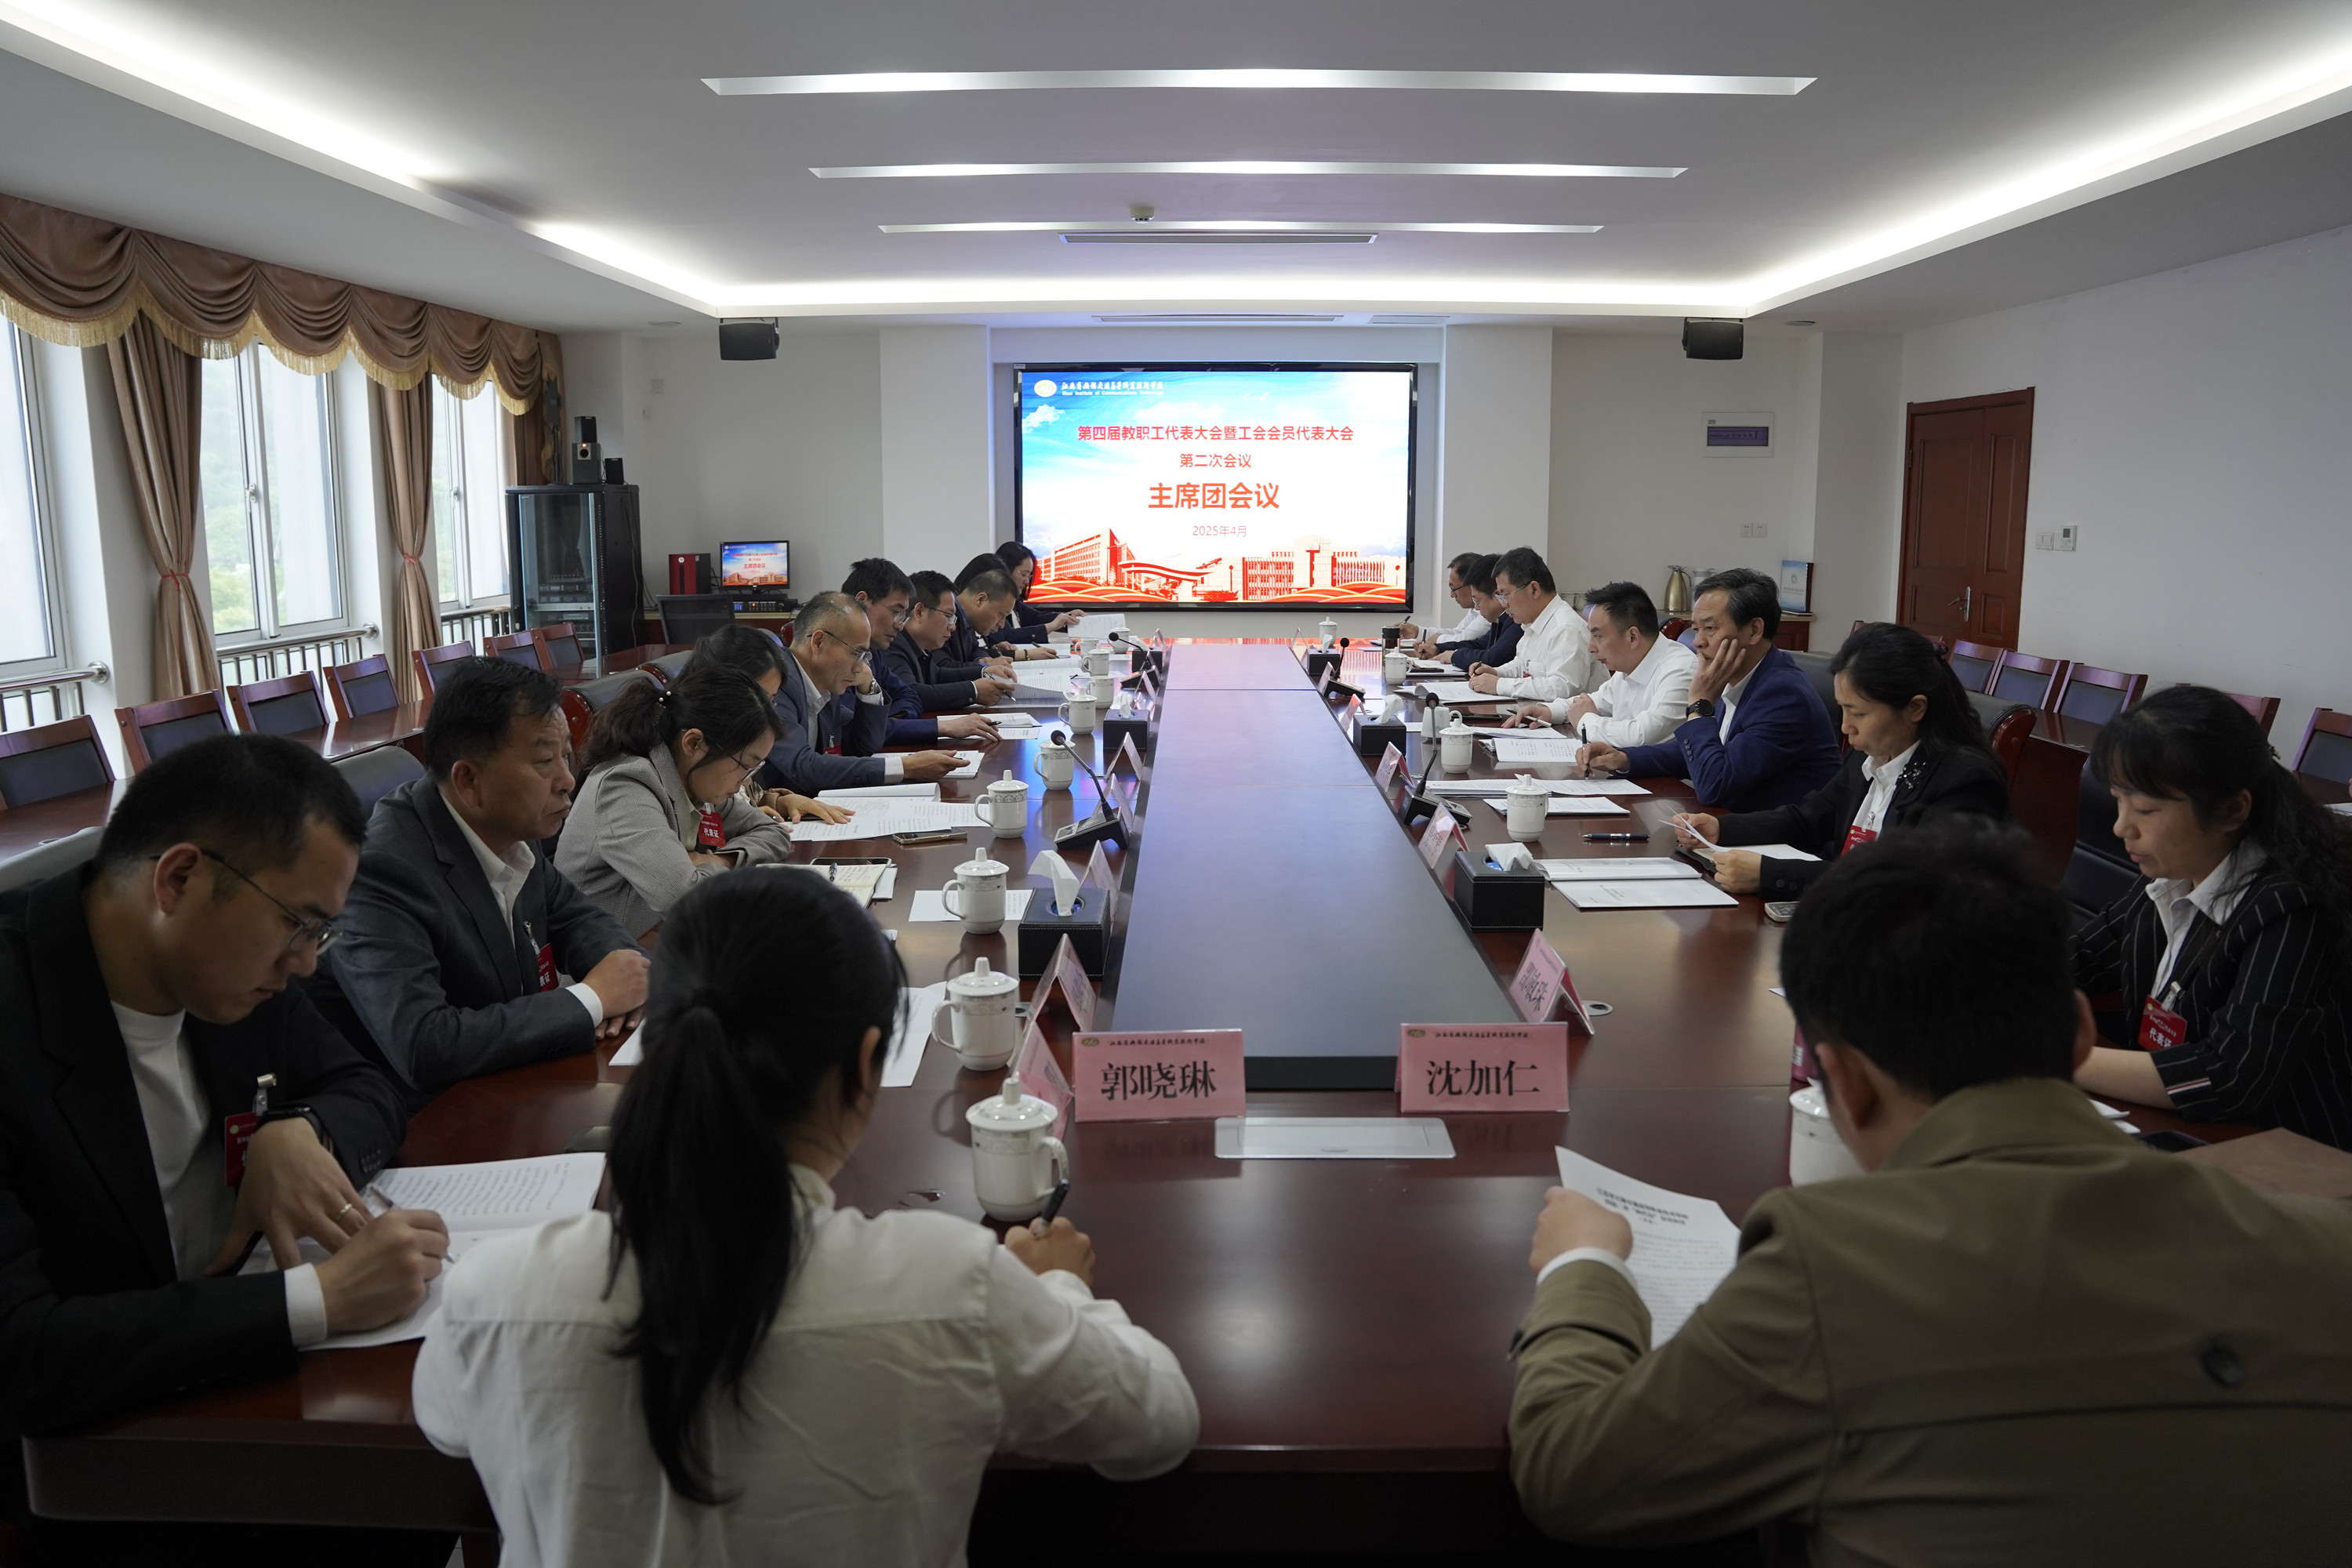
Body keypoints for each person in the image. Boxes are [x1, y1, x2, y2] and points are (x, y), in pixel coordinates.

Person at [1510, 824, 2352, 1561]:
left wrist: (1585, 1266)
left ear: (1843, 1081)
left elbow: (1573, 1476)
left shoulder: (1833, 1268)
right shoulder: (2327, 1251)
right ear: (2079, 1032)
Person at [413, 872, 1198, 1566]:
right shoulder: (949, 1283)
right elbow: (1158, 1422)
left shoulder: (495, 1291)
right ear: (864, 1063)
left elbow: (446, 1420)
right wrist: (1060, 1287)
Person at [0, 735, 448, 1559]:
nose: (306, 964)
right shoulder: (21, 1009)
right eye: (298, 924)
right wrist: (320, 1298)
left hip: (251, 1396)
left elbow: (369, 1087)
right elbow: (25, 1353)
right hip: (102, 1470)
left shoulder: (237, 975)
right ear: (179, 879)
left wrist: (300, 1129)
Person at [310, 659, 648, 1110]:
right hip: (424, 1120)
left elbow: (577, 918)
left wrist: (625, 973)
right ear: (469, 780)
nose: (568, 781)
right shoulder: (380, 873)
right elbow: (425, 1044)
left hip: (511, 1085)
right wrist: (592, 998)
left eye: (566, 756)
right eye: (544, 761)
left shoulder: (508, 829)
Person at [2071, 685, 2352, 1147]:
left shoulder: (2293, 906)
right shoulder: (2175, 874)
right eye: (2118, 800)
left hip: (2285, 1154)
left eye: (2145, 809)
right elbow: (2080, 958)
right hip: (2184, 1129)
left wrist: (2059, 1056)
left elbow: (2229, 1076)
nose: (2121, 827)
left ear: (2232, 810)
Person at [1668, 622, 2008, 898]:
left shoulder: (1963, 781)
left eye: (1858, 713)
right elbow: (1808, 820)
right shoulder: (1866, 756)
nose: (1845, 727)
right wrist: (1722, 829)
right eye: (1842, 709)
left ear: (1915, 708)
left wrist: (1770, 874)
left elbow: (1912, 885)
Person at [555, 667, 794, 938]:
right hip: (607, 955)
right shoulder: (624, 786)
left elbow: (773, 833)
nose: (745, 781)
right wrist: (708, 871)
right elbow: (688, 900)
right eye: (745, 765)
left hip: (669, 942)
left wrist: (721, 860)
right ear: (694, 743)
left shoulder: (698, 781)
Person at [1578, 567, 1838, 811]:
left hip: (1776, 837)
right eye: (1696, 629)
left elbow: (1715, 784)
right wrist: (1625, 759)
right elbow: (1698, 752)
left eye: (1710, 628)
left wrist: (1700, 705)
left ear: (1754, 630)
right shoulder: (1739, 676)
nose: (1698, 642)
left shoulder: (1783, 695)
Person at [760, 593, 965, 794]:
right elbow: (804, 768)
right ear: (819, 642)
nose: (861, 667)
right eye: (856, 653)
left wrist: (869, 688)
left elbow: (864, 746)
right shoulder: (775, 685)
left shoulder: (823, 684)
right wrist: (905, 768)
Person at [680, 625, 855, 827]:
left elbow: (746, 797)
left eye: (771, 701)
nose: (769, 714)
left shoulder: (739, 740)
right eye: (760, 699)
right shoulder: (702, 749)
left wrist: (778, 802)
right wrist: (746, 825)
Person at [1508, 580, 1697, 746]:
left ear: (1632, 637)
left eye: (1598, 636)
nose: (1590, 647)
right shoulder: (1629, 665)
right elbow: (1595, 701)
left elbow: (1642, 736)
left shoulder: (1680, 671)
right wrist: (1549, 711)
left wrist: (1585, 720)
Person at [843, 557, 1004, 741]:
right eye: (896, 612)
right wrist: (940, 726)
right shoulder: (841, 656)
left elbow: (910, 696)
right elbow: (856, 732)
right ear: (862, 601)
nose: (900, 625)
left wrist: (890, 722)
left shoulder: (872, 653)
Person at [1466, 547, 1599, 701]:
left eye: (1505, 594)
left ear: (1534, 590)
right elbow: (1522, 666)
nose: (1504, 604)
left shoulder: (1566, 629)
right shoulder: (1534, 622)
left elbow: (1561, 688)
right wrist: (1496, 673)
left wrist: (1499, 685)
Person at [883, 568, 1014, 714]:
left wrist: (984, 671)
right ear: (920, 612)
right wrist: (973, 691)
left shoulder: (914, 645)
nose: (952, 627)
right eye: (948, 616)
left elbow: (937, 675)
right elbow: (911, 693)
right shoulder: (892, 643)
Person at [945, 560, 1047, 673]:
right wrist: (984, 667)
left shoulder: (967, 617)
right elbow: (942, 668)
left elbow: (974, 648)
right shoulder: (946, 618)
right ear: (981, 600)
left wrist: (980, 657)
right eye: (1001, 614)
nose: (1002, 624)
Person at [1439, 554, 1520, 672]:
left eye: (1477, 601)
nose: (1476, 608)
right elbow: (1479, 645)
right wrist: (1438, 648)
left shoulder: (1517, 621)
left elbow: (1492, 659)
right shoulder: (1500, 620)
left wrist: (1454, 656)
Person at [991, 539, 1083, 644]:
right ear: (1006, 569)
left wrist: (1068, 617)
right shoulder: (992, 602)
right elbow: (1009, 636)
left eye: (1029, 576)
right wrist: (1051, 626)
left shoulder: (1015, 603)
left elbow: (1036, 617)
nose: (1027, 581)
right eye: (1024, 575)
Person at [1406, 550, 1490, 657]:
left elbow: (1464, 640)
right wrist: (1418, 631)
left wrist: (1437, 639)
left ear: (1473, 585)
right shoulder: (1475, 609)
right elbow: (1457, 633)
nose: (1452, 595)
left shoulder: (1489, 611)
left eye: (1453, 588)